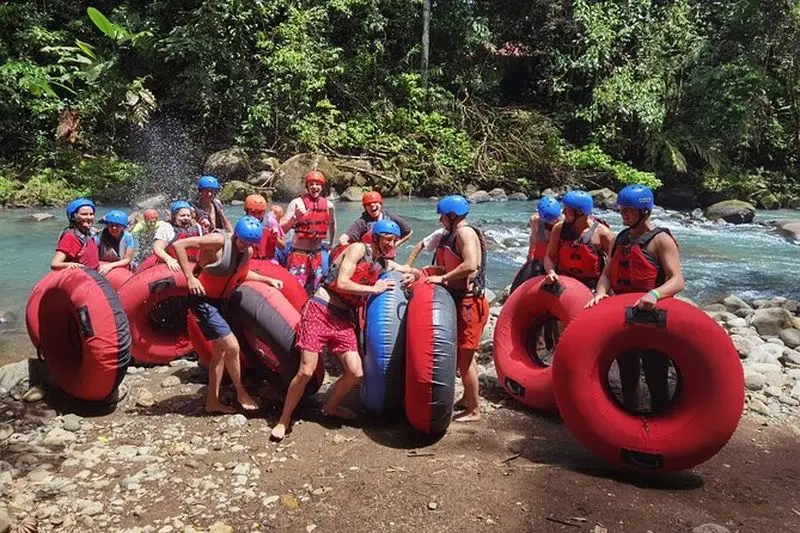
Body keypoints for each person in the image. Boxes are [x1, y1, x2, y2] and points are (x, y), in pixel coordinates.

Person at [270, 220, 420, 441]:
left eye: (394, 240)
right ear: (377, 238)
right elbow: (342, 282)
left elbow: (407, 269)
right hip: (320, 310)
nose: (391, 244)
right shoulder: (359, 249)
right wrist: (374, 288)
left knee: (356, 372)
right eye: (387, 239)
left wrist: (414, 276)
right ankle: (283, 419)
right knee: (306, 371)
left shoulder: (382, 263)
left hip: (342, 318)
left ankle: (330, 407)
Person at [587, 184, 684, 414]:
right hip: (624, 316)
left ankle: (660, 423)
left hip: (652, 317)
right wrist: (600, 293)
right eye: (622, 209)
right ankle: (629, 421)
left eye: (628, 210)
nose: (623, 214)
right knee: (627, 372)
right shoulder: (620, 239)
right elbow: (607, 275)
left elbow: (677, 280)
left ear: (644, 212)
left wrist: (655, 294)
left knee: (654, 372)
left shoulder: (661, 240)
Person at [172, 216, 284, 414]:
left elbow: (240, 275)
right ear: (236, 236)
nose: (245, 246)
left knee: (219, 352)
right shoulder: (217, 241)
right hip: (202, 300)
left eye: (250, 243)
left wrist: (267, 279)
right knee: (232, 347)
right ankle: (241, 392)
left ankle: (212, 402)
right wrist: (189, 277)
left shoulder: (246, 252)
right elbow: (180, 244)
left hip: (219, 302)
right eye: (243, 241)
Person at [424, 195, 489, 422]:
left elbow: (471, 264)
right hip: (461, 300)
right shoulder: (454, 234)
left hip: (470, 304)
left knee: (465, 359)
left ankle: (474, 409)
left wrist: (443, 279)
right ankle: (466, 398)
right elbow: (454, 262)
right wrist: (435, 271)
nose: (440, 220)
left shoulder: (464, 232)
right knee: (462, 356)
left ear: (452, 216)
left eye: (442, 216)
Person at [543, 190, 614, 289]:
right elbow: (549, 257)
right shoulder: (559, 228)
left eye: (567, 209)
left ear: (579, 212)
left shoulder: (603, 233)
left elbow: (614, 263)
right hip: (564, 282)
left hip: (591, 286)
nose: (563, 212)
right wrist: (551, 272)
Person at [280, 170, 336, 294]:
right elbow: (282, 229)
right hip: (299, 254)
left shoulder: (329, 206)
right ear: (307, 186)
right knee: (295, 290)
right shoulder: (296, 203)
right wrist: (295, 217)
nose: (314, 187)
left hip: (317, 255)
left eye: (317, 184)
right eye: (311, 184)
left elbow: (332, 225)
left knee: (315, 291)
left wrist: (331, 244)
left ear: (322, 186)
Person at [509, 196, 563, 293]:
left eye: (555, 219)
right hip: (539, 261)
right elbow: (533, 239)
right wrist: (530, 255)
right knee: (516, 289)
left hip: (558, 265)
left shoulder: (565, 222)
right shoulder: (535, 221)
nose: (554, 222)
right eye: (551, 220)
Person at [339, 191, 413, 248]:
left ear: (380, 204)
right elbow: (343, 239)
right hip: (369, 258)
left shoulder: (391, 217)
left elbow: (409, 232)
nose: (372, 205)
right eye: (368, 204)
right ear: (365, 208)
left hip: (386, 256)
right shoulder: (362, 222)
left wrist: (395, 245)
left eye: (375, 202)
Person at [149, 201, 203, 271]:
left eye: (188, 215)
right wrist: (168, 259)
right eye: (182, 215)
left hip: (194, 265)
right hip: (174, 266)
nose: (186, 218)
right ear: (174, 216)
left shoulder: (197, 227)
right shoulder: (167, 227)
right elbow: (157, 247)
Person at [51, 198, 100, 271]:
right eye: (84, 214)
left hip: (93, 272)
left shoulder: (88, 232)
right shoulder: (70, 236)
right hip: (83, 275)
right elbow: (55, 264)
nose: (89, 217)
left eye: (91, 214)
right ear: (74, 216)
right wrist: (71, 264)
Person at [96, 210, 136, 275]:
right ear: (107, 225)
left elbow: (127, 259)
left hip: (121, 266)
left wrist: (110, 266)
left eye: (118, 225)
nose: (114, 228)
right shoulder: (99, 237)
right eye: (111, 225)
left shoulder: (128, 237)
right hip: (103, 264)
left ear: (123, 227)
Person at [242, 194, 279, 262]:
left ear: (264, 212)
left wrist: (275, 238)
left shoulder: (271, 222)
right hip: (249, 258)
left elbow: (283, 246)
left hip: (269, 259)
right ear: (247, 211)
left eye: (260, 212)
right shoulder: (242, 223)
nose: (256, 215)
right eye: (253, 212)